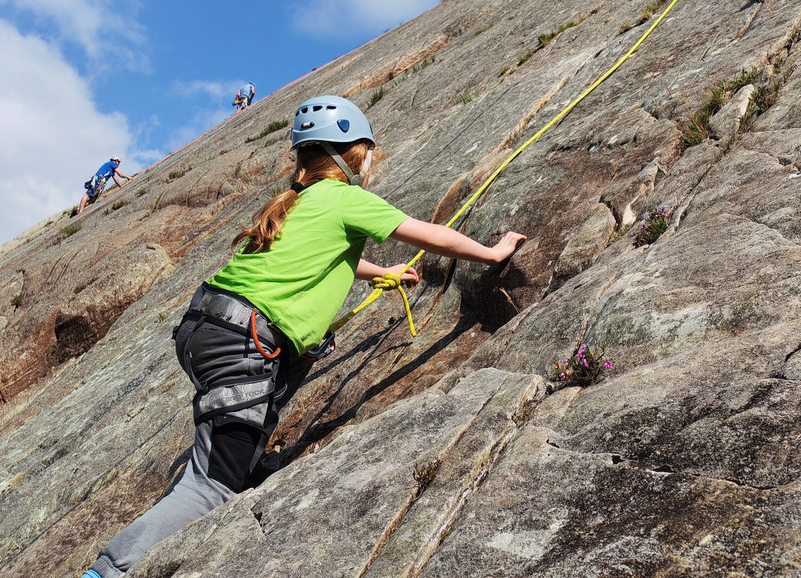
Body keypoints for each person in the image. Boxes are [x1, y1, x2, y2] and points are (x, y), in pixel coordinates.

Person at [78, 95, 526, 578]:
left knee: (299, 354)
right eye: (369, 156)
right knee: (211, 487)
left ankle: (248, 461)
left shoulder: (295, 203)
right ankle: (109, 571)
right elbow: (428, 234)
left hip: (205, 326)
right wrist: (492, 252)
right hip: (244, 339)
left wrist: (382, 272)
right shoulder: (347, 199)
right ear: (355, 157)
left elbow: (322, 254)